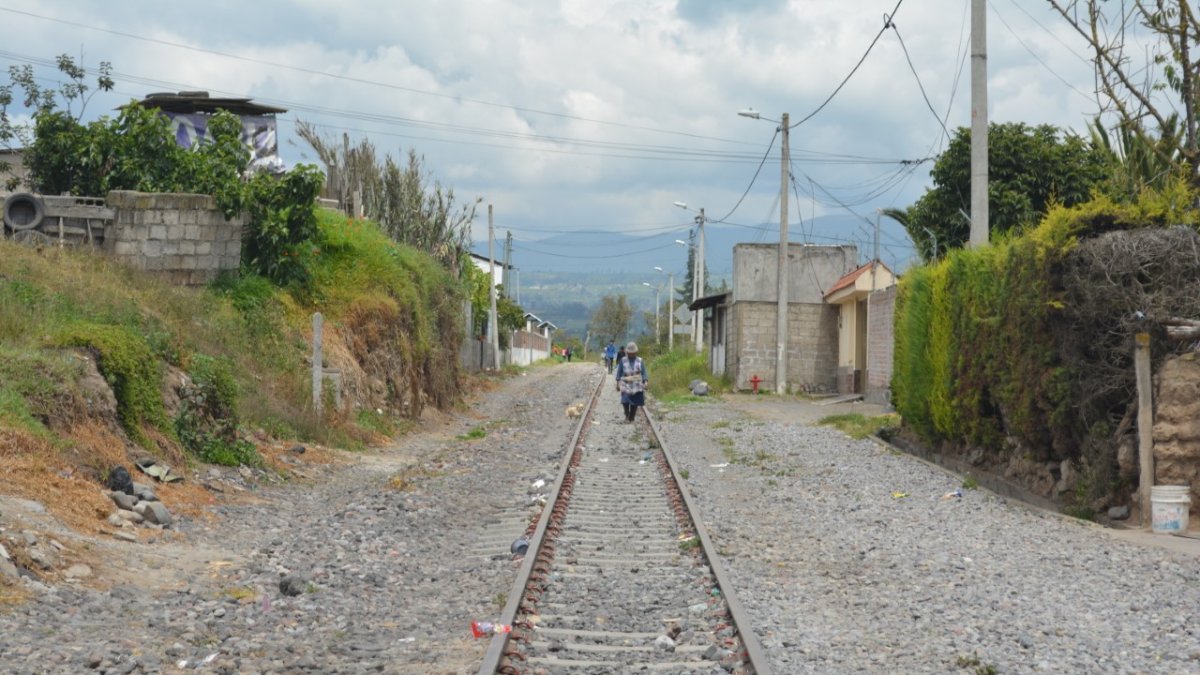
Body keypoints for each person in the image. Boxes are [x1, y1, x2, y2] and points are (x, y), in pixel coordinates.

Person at [614, 341, 648, 423]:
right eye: (629, 353)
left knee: (635, 402)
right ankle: (626, 415)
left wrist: (645, 381)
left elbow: (644, 372)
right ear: (627, 352)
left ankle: (632, 416)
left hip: (637, 384)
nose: (631, 355)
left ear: (636, 352)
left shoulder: (640, 360)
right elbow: (619, 372)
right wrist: (618, 383)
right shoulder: (623, 360)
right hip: (625, 383)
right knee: (625, 401)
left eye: (633, 353)